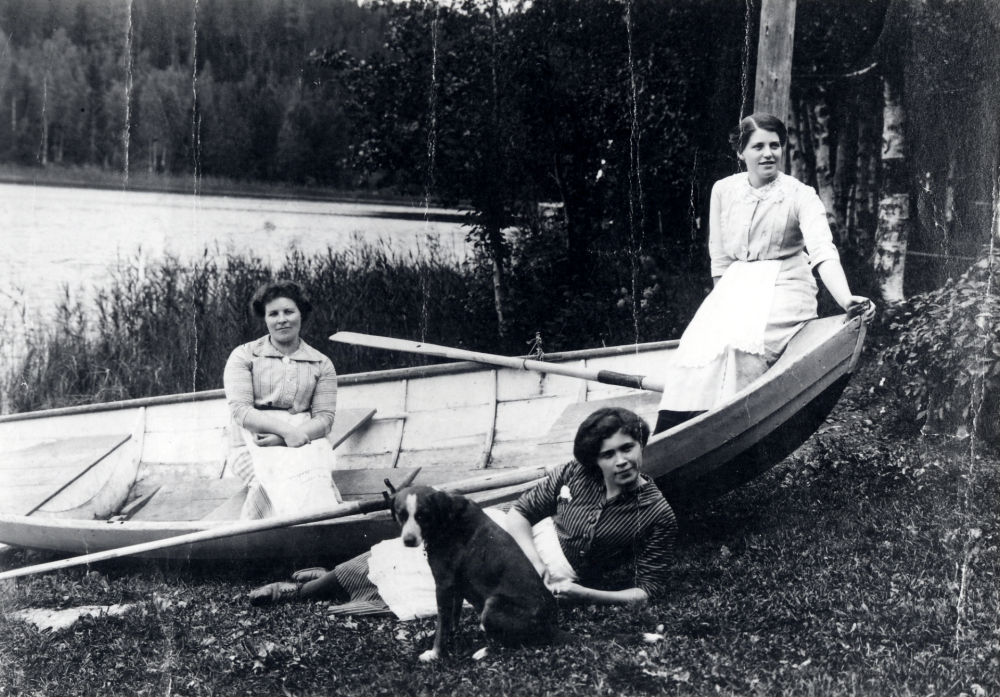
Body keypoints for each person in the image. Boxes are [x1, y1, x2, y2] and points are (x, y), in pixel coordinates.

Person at [249, 407, 677, 616]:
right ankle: (303, 590)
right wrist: (529, 561)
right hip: (511, 541)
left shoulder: (656, 514)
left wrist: (585, 595)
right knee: (404, 551)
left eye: (628, 448)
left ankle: (329, 587)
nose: (621, 461)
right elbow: (521, 514)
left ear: (642, 446)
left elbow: (646, 592)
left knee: (436, 591)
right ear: (592, 458)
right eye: (608, 454)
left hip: (557, 581)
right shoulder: (574, 473)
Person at [653, 113, 875, 434]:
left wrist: (845, 298)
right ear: (741, 152)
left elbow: (823, 251)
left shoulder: (801, 194)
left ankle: (729, 428)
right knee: (697, 344)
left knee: (743, 347)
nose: (768, 153)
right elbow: (719, 256)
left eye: (775, 145)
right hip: (736, 284)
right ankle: (672, 436)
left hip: (785, 286)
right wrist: (718, 308)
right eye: (758, 146)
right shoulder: (723, 190)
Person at [223, 280, 342, 520]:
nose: (282, 319)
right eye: (273, 314)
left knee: (315, 483)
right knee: (267, 485)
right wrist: (285, 433)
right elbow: (240, 411)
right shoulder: (244, 355)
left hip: (306, 438)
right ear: (265, 319)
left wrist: (290, 437)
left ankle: (316, 533)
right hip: (254, 439)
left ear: (301, 314)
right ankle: (257, 542)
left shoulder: (321, 363)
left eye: (289, 311)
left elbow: (325, 419)